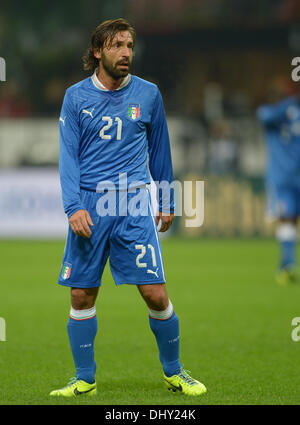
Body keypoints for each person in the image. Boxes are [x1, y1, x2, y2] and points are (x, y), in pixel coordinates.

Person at [50, 18, 206, 397]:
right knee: (81, 295)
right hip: (89, 204)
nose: (125, 53)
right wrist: (72, 206)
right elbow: (68, 157)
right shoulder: (75, 97)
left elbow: (161, 151)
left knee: (155, 292)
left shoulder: (149, 94)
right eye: (117, 45)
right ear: (97, 52)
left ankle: (175, 371)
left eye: (130, 46)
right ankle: (84, 378)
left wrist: (168, 199)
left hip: (134, 203)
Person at [257, 83, 300, 284]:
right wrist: (290, 105)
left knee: (286, 220)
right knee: (287, 219)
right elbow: (263, 115)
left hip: (284, 178)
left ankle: (287, 264)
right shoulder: (275, 115)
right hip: (284, 179)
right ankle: (287, 264)